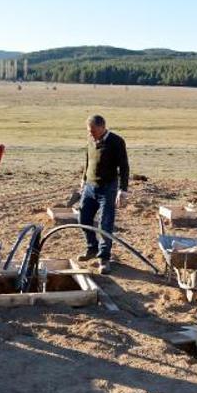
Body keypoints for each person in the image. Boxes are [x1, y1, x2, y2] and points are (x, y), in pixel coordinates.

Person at [77, 115, 130, 274]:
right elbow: (88, 159)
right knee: (83, 219)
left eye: (93, 130)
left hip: (108, 188)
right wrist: (83, 179)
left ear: (102, 127)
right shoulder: (91, 140)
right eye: (89, 131)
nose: (90, 134)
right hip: (89, 187)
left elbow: (124, 167)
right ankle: (92, 248)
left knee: (105, 224)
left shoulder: (116, 141)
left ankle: (104, 258)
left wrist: (123, 189)